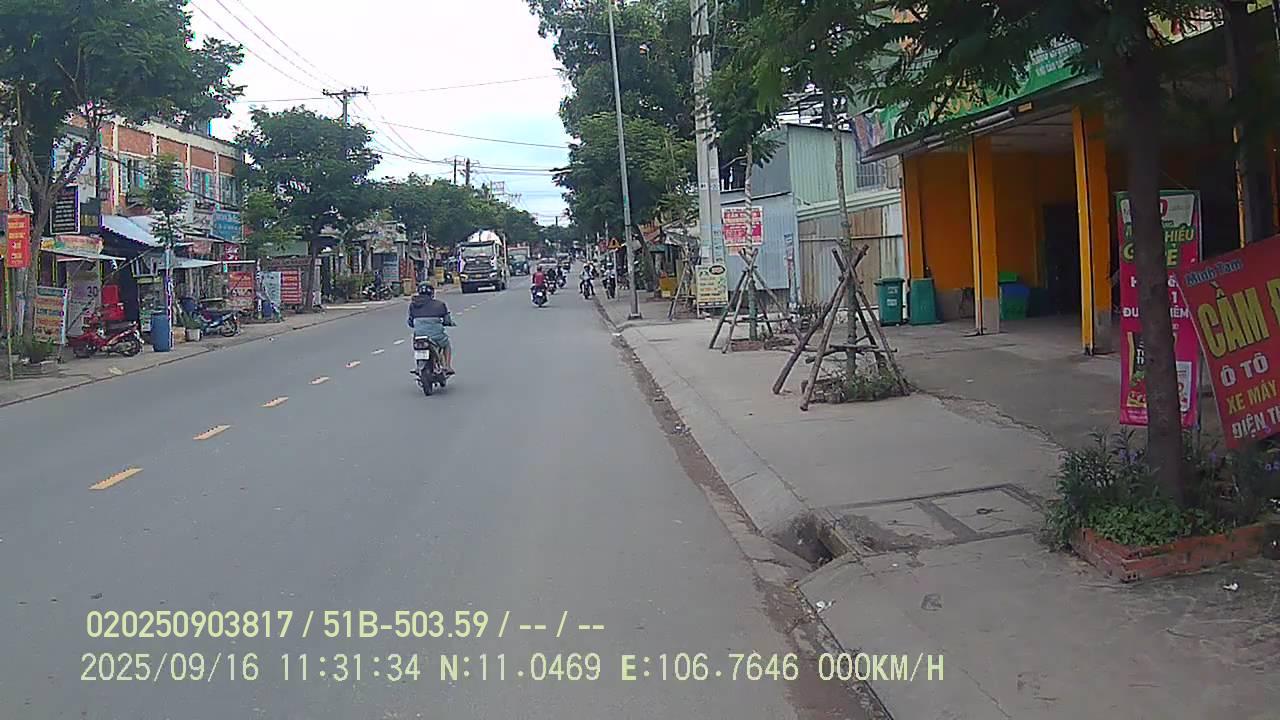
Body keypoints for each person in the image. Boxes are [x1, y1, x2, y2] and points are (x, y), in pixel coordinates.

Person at [407, 282, 455, 374]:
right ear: (432, 293)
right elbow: (447, 320)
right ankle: (447, 366)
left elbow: (410, 322)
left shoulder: (413, 305)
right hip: (436, 337)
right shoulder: (440, 304)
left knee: (417, 345)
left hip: (419, 336)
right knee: (446, 344)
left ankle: (418, 366)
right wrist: (449, 323)